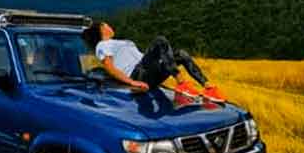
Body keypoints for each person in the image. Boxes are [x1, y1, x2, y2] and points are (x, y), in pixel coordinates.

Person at [81, 22, 209, 93]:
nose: (110, 26)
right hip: (137, 74)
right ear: (102, 29)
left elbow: (141, 57)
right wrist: (131, 82)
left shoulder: (117, 42)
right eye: (107, 25)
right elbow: (109, 67)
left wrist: (160, 61)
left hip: (148, 71)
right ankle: (181, 83)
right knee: (160, 40)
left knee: (181, 54)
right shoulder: (102, 45)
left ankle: (208, 87)